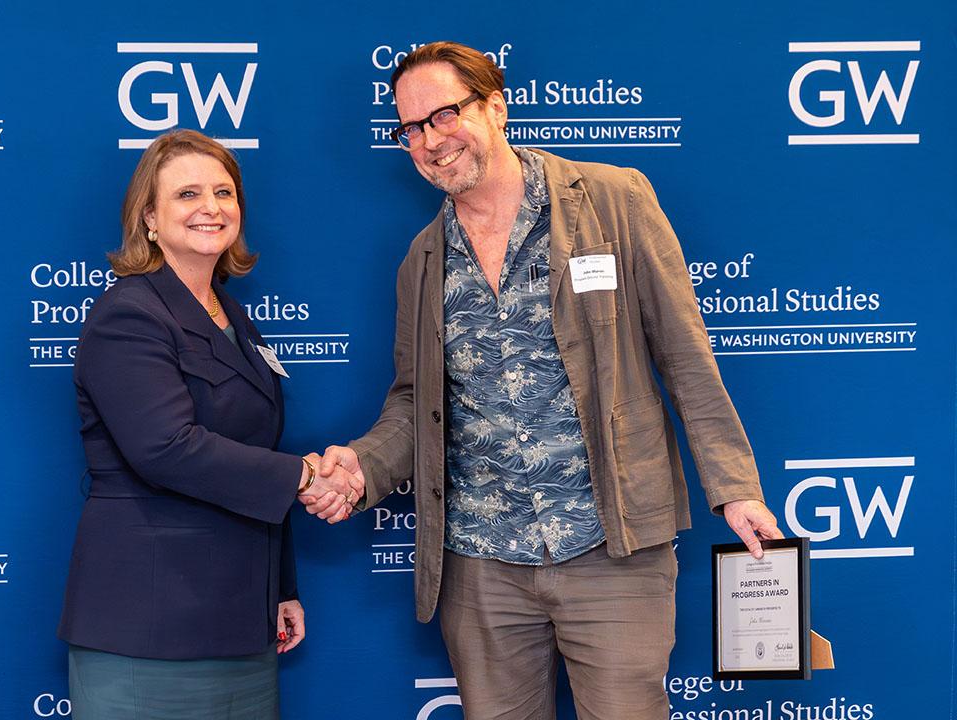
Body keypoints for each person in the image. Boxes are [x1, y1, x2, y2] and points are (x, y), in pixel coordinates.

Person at [305, 42, 783, 719]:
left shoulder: (615, 200)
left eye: (445, 115)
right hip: (481, 566)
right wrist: (361, 468)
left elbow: (685, 356)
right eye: (411, 128)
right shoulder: (423, 260)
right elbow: (416, 403)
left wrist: (735, 488)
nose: (430, 141)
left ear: (496, 107)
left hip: (612, 546)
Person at [58, 129, 360, 720]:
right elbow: (166, 449)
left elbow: (252, 450)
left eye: (224, 192)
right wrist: (304, 476)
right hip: (150, 624)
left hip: (242, 618)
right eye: (187, 194)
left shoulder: (231, 314)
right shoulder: (129, 313)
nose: (211, 207)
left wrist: (281, 587)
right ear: (149, 218)